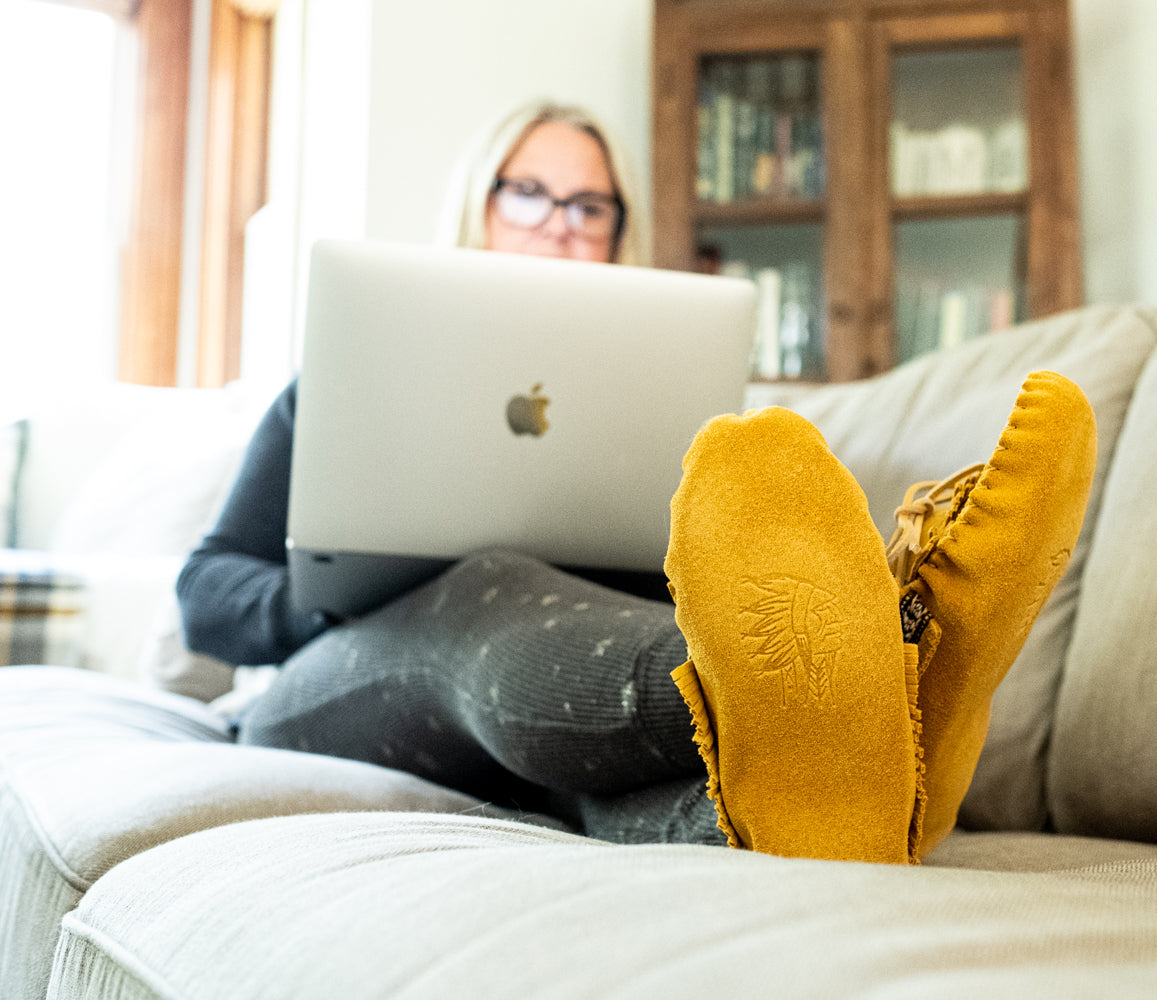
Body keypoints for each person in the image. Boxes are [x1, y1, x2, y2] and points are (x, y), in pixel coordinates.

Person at [177, 100, 1098, 864]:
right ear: (479, 203)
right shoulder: (357, 367)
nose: (558, 223)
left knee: (628, 785)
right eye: (529, 193)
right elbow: (207, 589)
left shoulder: (656, 385)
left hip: (554, 723)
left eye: (589, 206)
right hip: (348, 683)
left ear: (620, 229)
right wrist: (348, 591)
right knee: (489, 588)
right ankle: (870, 675)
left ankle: (860, 795)